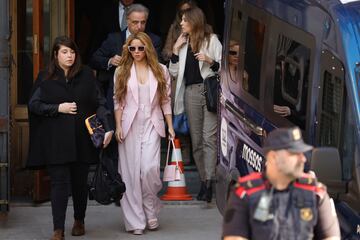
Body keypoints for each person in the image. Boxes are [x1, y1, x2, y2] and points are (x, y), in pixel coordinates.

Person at [26, 36, 114, 240]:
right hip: (56, 142)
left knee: (79, 183)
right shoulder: (45, 77)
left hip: (82, 140)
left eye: (72, 52)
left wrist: (108, 128)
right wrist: (58, 108)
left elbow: (100, 103)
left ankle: (79, 220)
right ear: (55, 55)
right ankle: (58, 229)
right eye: (64, 52)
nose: (69, 56)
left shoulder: (86, 76)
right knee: (58, 184)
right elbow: (34, 105)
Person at [222, 127, 341, 240]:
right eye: (295, 154)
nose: (303, 159)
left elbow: (331, 237)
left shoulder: (316, 194)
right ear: (273, 157)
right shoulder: (244, 193)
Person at [113, 32, 175, 235]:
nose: (137, 52)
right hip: (129, 125)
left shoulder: (160, 70)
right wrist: (118, 126)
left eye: (140, 48)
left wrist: (170, 126)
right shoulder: (121, 71)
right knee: (130, 174)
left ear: (147, 48)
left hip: (152, 123)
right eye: (132, 48)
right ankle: (136, 221)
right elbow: (118, 101)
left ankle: (150, 207)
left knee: (149, 170)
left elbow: (166, 100)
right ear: (128, 50)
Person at [169, 7, 222, 203]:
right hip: (190, 93)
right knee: (197, 141)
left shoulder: (212, 40)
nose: (181, 23)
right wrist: (175, 50)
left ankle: (209, 183)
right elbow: (173, 73)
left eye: (184, 20)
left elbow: (223, 69)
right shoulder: (182, 43)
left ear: (194, 21)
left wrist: (210, 61)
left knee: (210, 139)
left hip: (209, 92)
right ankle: (203, 179)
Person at [90, 3, 161, 112]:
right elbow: (94, 59)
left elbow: (158, 64)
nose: (139, 26)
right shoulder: (114, 38)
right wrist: (110, 61)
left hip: (144, 95)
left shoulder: (154, 40)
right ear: (127, 21)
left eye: (143, 22)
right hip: (118, 93)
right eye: (135, 22)